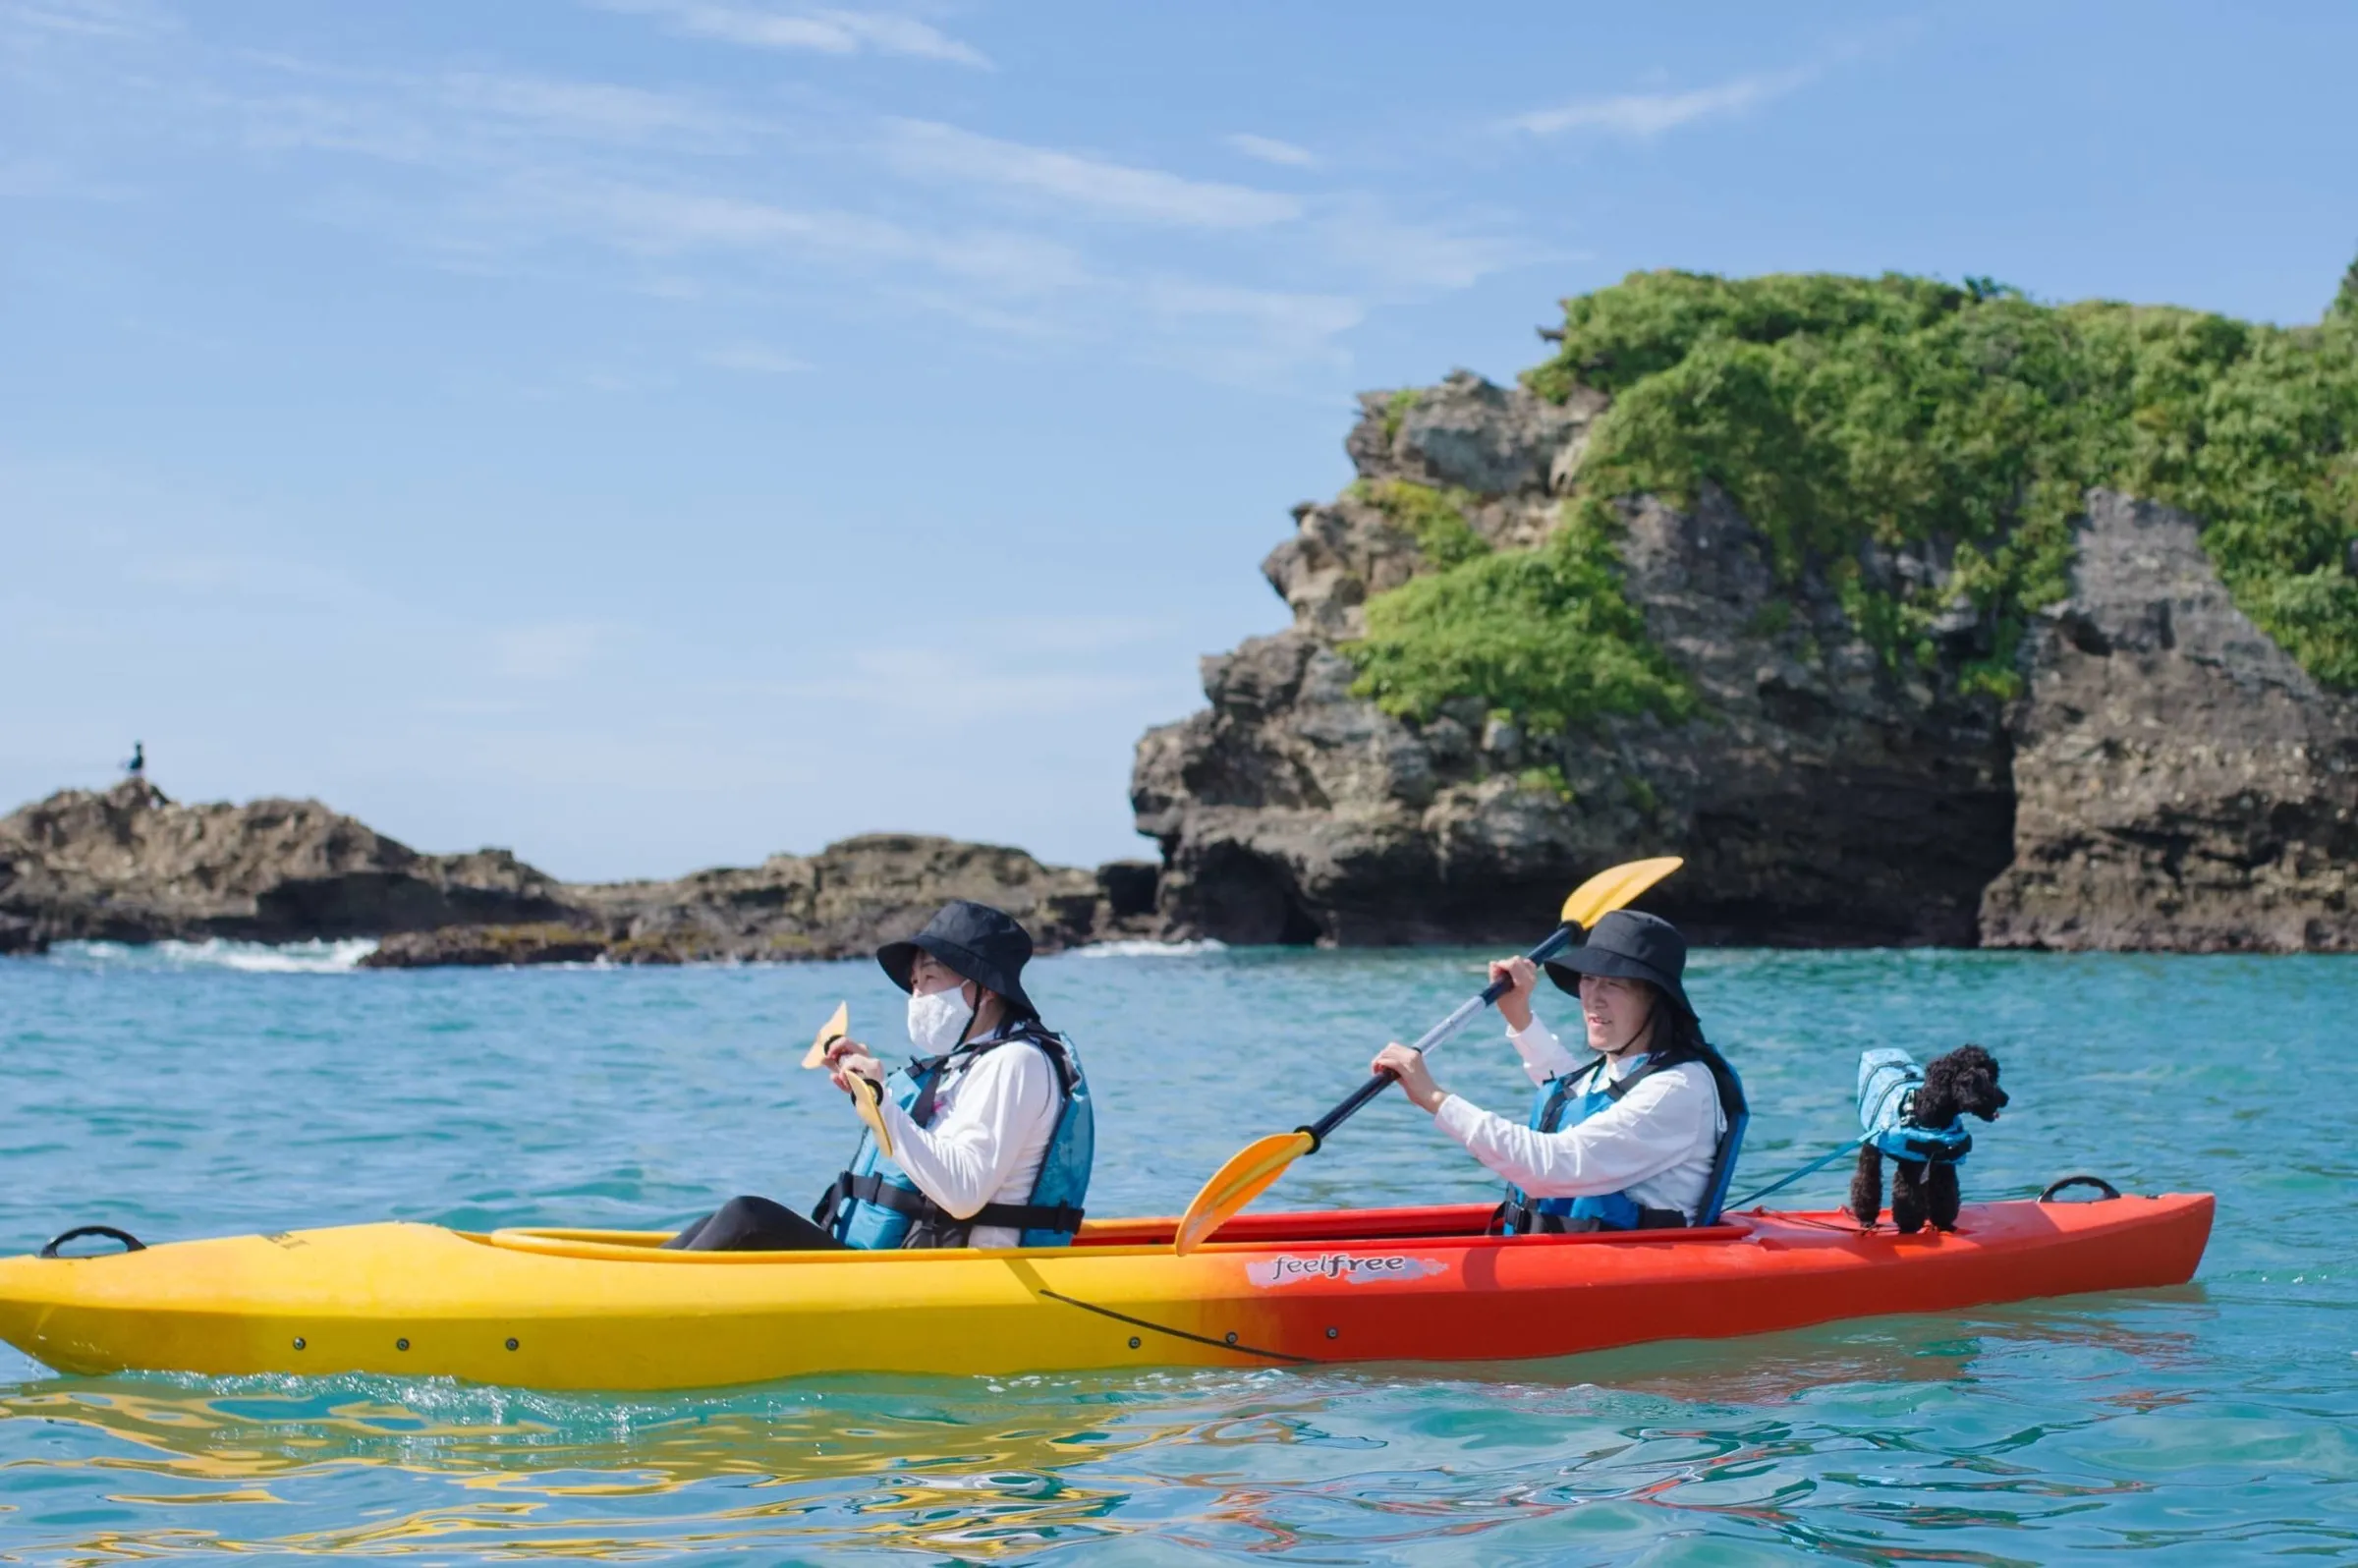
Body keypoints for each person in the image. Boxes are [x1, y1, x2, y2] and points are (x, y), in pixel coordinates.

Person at [665, 900, 1094, 1252]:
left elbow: (963, 1193)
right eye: (914, 982)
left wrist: (882, 1104)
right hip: (903, 1263)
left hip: (957, 1278)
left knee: (748, 1217)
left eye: (930, 978)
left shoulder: (1016, 1062)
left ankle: (648, 1303)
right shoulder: (967, 1063)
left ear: (987, 989)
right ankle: (645, 1285)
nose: (917, 995)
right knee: (716, 1222)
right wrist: (871, 1093)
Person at [1370, 910, 1746, 1232]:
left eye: (1613, 983)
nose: (1593, 998)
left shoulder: (1677, 1089)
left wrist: (1435, 1098)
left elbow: (1552, 1166)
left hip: (1629, 1272)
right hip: (1573, 1260)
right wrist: (1518, 1015)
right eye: (1588, 979)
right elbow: (1571, 1092)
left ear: (1656, 999)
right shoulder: (1624, 1069)